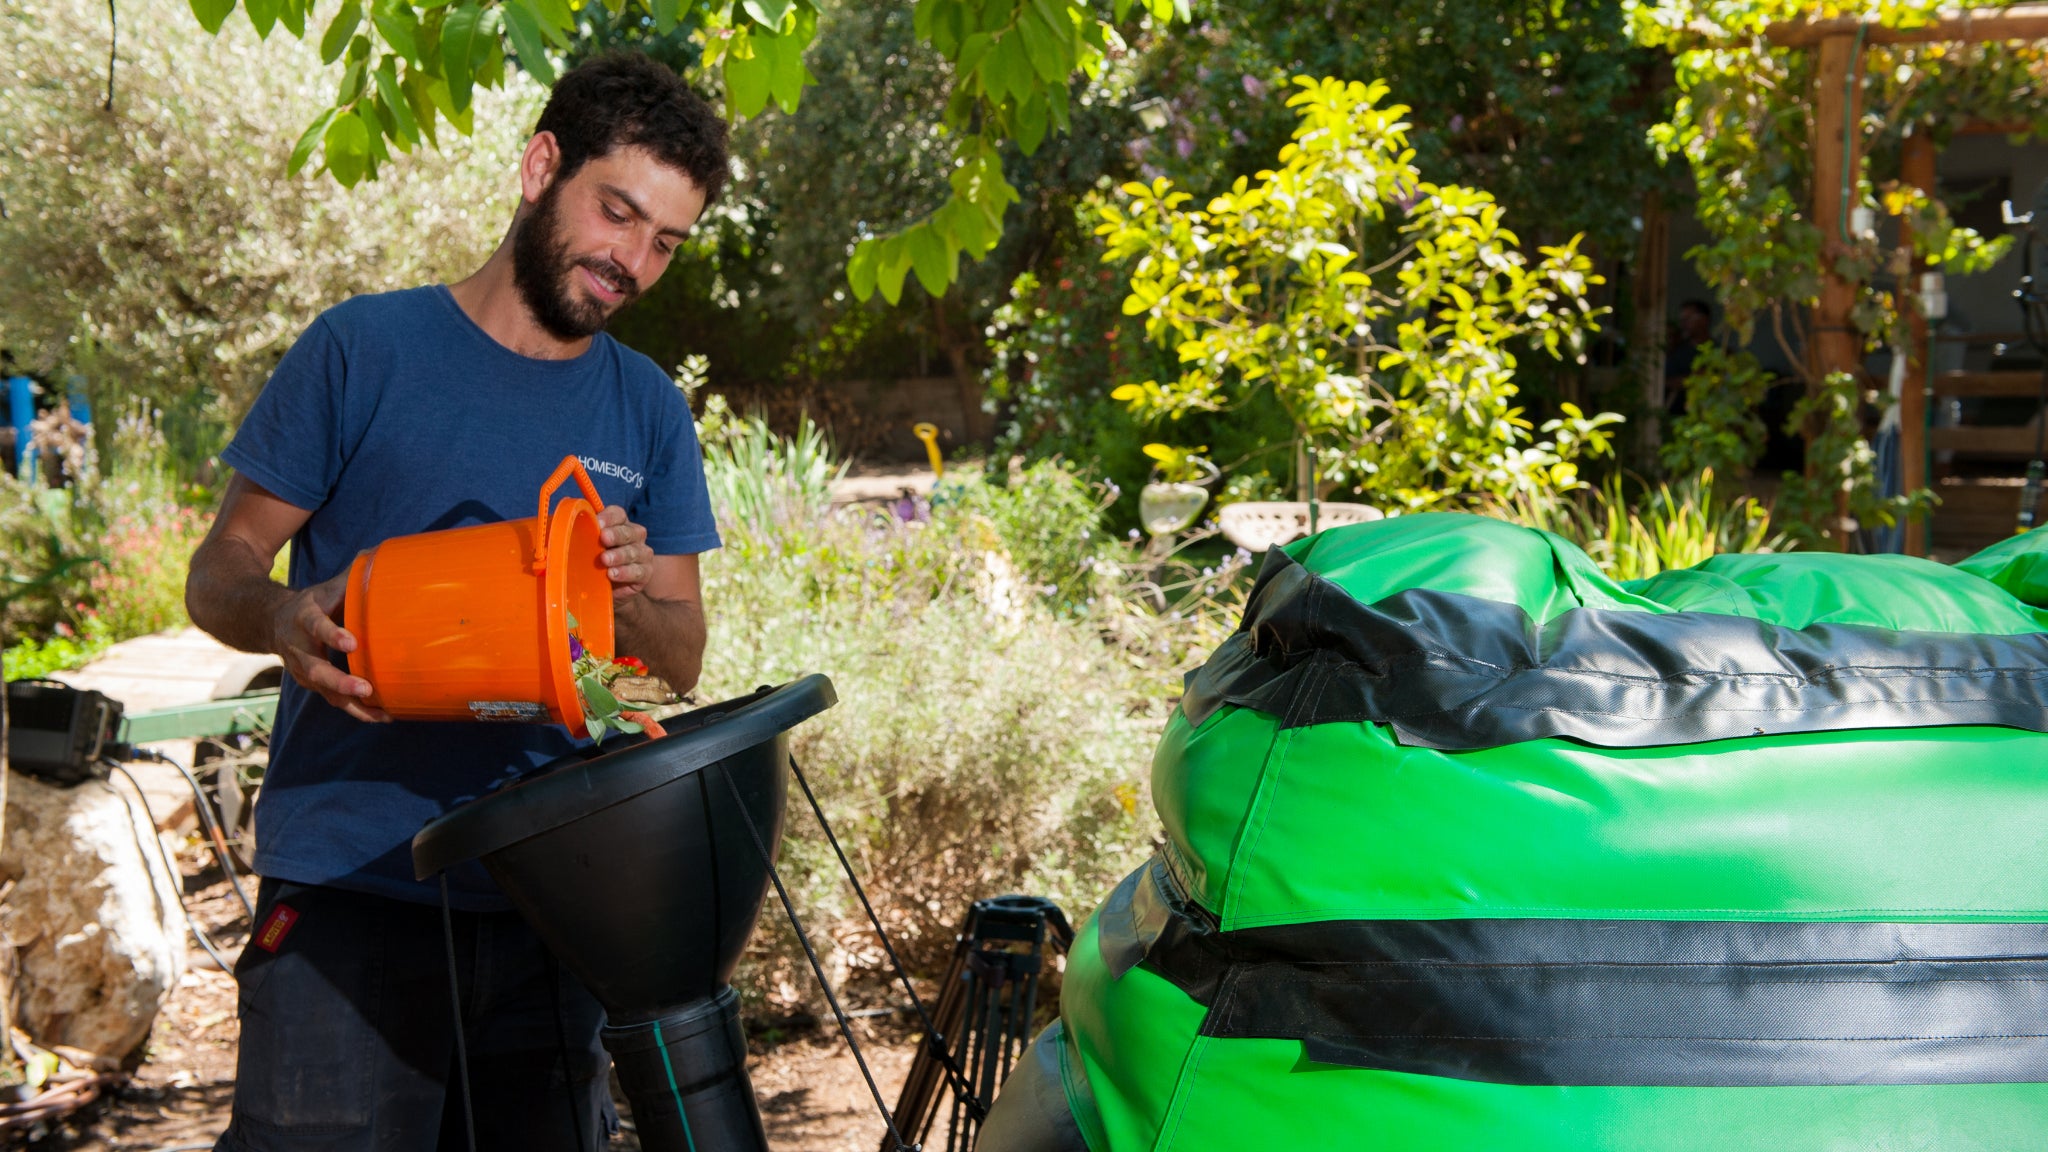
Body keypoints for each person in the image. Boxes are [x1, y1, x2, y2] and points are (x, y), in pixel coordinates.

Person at [183, 52, 729, 1152]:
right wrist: (282, 620)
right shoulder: (363, 351)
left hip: (556, 902)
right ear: (540, 168)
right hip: (349, 890)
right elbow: (220, 568)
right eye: (617, 213)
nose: (632, 262)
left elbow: (678, 662)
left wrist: (621, 601)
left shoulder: (647, 410)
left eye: (665, 242)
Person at [1664, 298, 1715, 417]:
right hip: (1673, 415)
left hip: (1704, 417)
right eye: (1682, 320)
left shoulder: (1719, 351)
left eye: (1688, 319)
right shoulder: (1676, 350)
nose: (1683, 324)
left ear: (1704, 320)